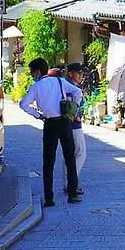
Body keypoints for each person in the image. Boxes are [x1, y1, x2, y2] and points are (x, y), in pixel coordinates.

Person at [19, 58, 84, 207]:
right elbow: (77, 91)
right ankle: (72, 194)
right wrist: (74, 107)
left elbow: (23, 104)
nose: (32, 75)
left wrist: (38, 115)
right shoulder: (59, 81)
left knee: (48, 162)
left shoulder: (35, 87)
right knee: (70, 159)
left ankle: (49, 198)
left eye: (32, 72)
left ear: (37, 72)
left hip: (49, 124)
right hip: (65, 122)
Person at [64, 62, 88, 191]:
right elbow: (68, 105)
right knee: (81, 153)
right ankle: (72, 181)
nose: (81, 75)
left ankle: (67, 182)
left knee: (69, 154)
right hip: (74, 125)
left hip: (67, 125)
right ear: (70, 73)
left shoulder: (69, 86)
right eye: (78, 73)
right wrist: (75, 116)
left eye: (81, 73)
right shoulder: (71, 88)